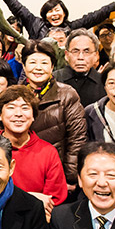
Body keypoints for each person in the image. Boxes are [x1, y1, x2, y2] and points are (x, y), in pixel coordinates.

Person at [0, 85, 67, 216]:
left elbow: (54, 199)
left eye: (25, 108)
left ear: (34, 116)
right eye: (11, 107)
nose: (18, 114)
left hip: (38, 223)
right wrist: (30, 198)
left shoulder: (48, 152)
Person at [23, 40, 87, 183]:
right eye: (32, 62)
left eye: (44, 63)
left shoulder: (67, 94)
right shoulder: (14, 94)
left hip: (56, 173)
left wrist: (70, 177)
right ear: (24, 66)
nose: (38, 68)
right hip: (21, 172)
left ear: (52, 67)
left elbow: (77, 139)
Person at [54, 29, 105, 108]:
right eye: (75, 51)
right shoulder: (53, 79)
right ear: (66, 55)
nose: (81, 57)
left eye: (86, 51)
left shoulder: (104, 82)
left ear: (96, 55)